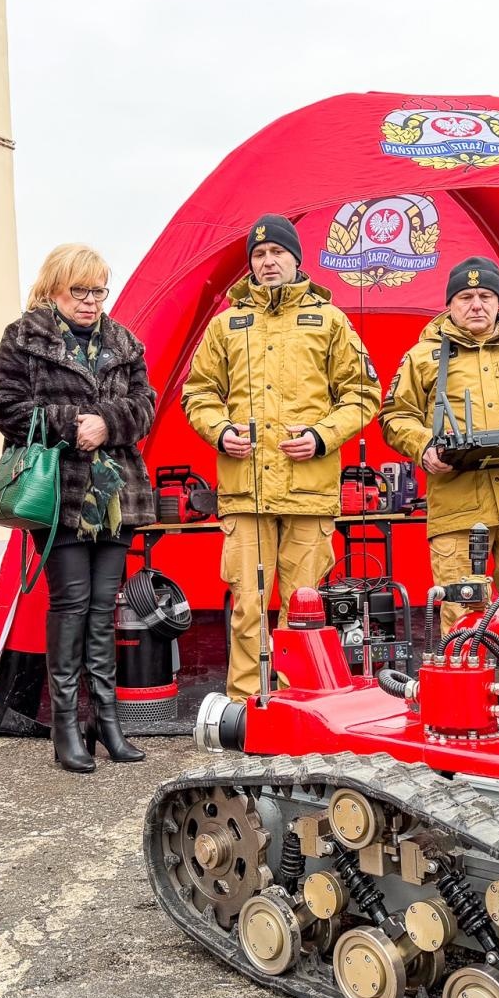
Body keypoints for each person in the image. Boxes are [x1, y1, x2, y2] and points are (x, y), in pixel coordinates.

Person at [182, 214, 380, 700]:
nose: (268, 262)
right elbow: (198, 393)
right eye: (259, 254)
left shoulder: (330, 320)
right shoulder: (226, 325)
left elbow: (363, 394)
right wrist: (221, 431)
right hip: (245, 490)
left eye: (277, 252)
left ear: (296, 258)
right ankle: (245, 708)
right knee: (247, 606)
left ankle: (298, 707)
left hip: (308, 490)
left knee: (304, 607)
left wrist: (320, 436)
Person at [0, 244, 156, 773]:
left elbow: (146, 405)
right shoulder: (23, 337)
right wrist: (72, 423)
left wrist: (109, 423)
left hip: (116, 495)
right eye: (78, 290)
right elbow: (5, 407)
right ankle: (66, 724)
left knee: (104, 607)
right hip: (58, 491)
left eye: (98, 290)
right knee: (71, 604)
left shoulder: (125, 341)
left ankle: (106, 719)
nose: (90, 301)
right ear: (54, 289)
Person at [381, 256, 499, 638]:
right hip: (458, 511)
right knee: (463, 618)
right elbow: (394, 416)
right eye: (466, 297)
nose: (476, 305)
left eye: (485, 296)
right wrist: (424, 446)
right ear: (449, 304)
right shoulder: (422, 358)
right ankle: (465, 677)